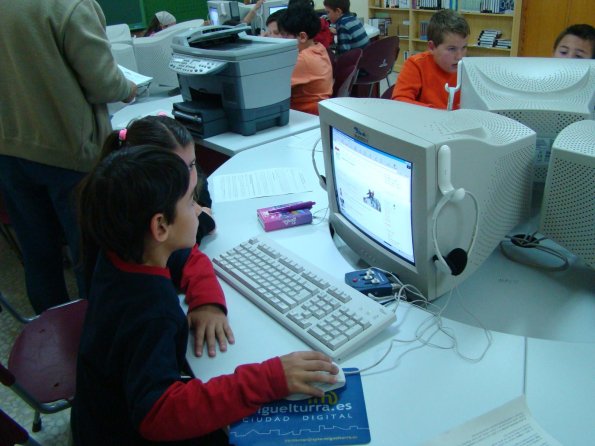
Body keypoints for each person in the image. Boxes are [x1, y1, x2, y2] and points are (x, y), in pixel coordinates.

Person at [71, 146, 339, 445]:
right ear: (160, 226)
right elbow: (158, 414)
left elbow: (184, 258)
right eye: (190, 203)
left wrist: (206, 301)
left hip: (100, 414)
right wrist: (268, 379)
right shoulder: (148, 310)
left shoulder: (120, 252)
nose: (199, 210)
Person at [0, 0, 137, 314]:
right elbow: (103, 83)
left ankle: (55, 337)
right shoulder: (70, 6)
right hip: (68, 153)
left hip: (9, 148)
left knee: (38, 254)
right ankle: (95, 338)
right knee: (87, 254)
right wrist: (127, 88)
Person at [101, 115, 216, 243]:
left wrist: (193, 207)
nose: (187, 180)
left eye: (190, 165)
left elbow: (199, 178)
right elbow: (183, 247)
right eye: (176, 171)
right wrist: (201, 219)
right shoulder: (139, 220)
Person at [392, 9, 469, 110]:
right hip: (425, 123)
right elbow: (399, 101)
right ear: (432, 47)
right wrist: (437, 112)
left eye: (464, 47)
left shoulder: (468, 68)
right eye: (452, 49)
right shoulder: (416, 65)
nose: (460, 56)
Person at [278, 3, 333, 115]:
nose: (281, 40)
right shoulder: (318, 47)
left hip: (305, 114)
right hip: (318, 109)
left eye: (285, 36)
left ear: (302, 37)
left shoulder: (303, 59)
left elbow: (273, 87)